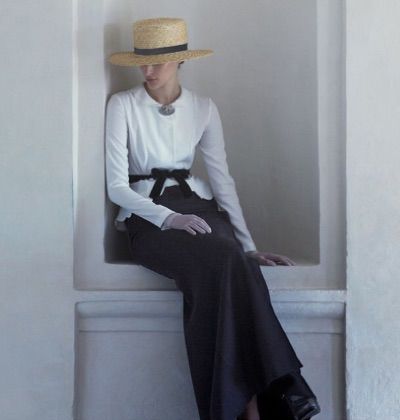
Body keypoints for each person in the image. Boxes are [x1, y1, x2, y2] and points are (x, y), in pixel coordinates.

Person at [106, 17, 320, 420]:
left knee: (235, 263)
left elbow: (222, 181)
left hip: (200, 206)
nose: (148, 71)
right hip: (149, 216)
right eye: (142, 63)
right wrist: (167, 219)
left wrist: (249, 246)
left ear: (180, 61)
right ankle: (281, 390)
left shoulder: (203, 108)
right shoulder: (123, 105)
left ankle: (243, 408)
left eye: (157, 63)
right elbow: (117, 187)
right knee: (225, 260)